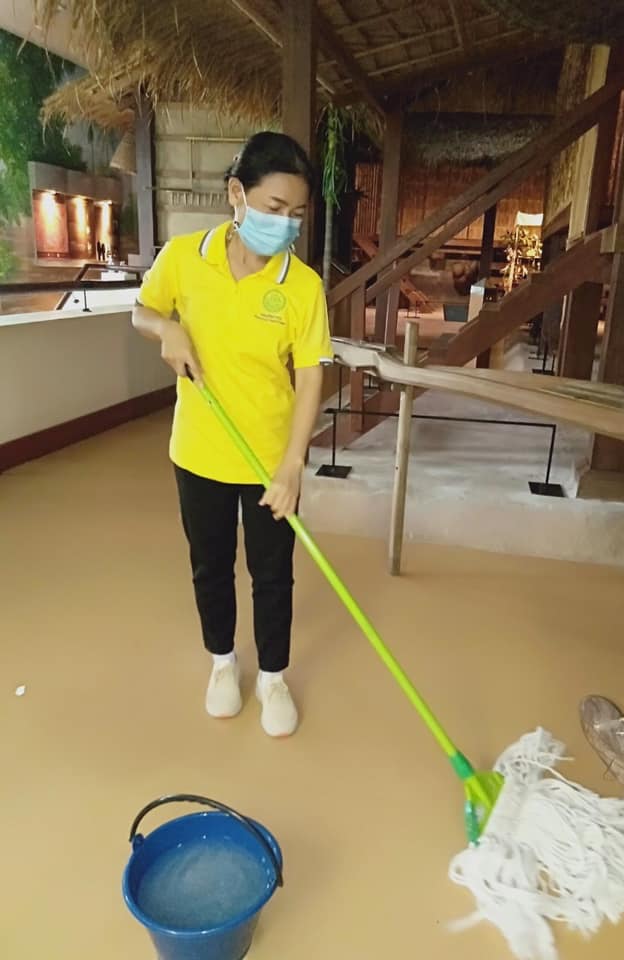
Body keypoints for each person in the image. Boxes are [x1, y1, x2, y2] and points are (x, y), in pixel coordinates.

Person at [132, 132, 332, 737]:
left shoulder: (303, 287)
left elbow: (311, 375)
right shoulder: (183, 257)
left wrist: (293, 465)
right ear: (236, 195)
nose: (286, 224)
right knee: (210, 565)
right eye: (275, 207)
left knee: (273, 574)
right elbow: (142, 309)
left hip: (270, 459)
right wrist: (166, 330)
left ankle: (272, 676)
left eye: (297, 213)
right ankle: (223, 663)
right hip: (198, 451)